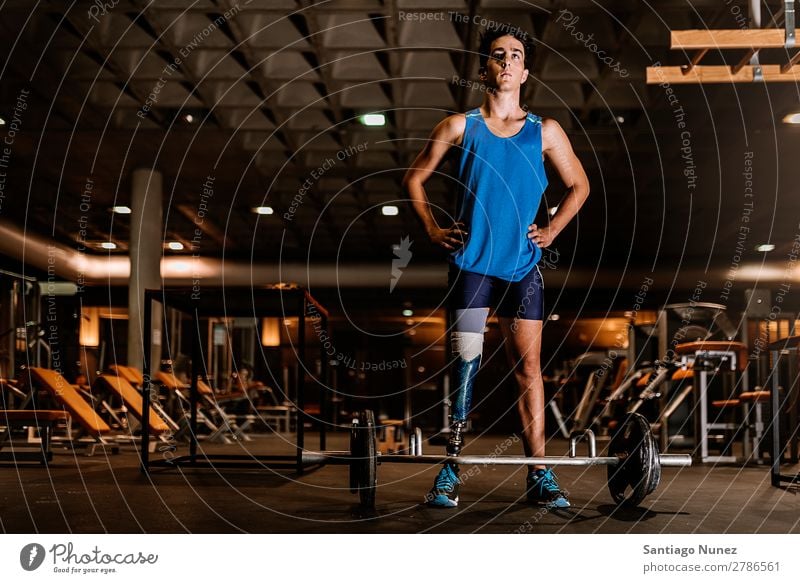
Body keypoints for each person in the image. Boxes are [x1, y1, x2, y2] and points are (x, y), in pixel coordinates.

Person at [403, 25, 590, 508]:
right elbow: (415, 178)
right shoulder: (459, 127)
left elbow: (579, 187)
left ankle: (539, 474)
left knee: (528, 368)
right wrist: (430, 229)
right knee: (466, 364)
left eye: (515, 56)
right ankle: (450, 471)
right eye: (497, 55)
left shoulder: (544, 131)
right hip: (472, 268)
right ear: (485, 68)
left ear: (525, 72)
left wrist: (550, 232)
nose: (506, 61)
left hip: (523, 269)